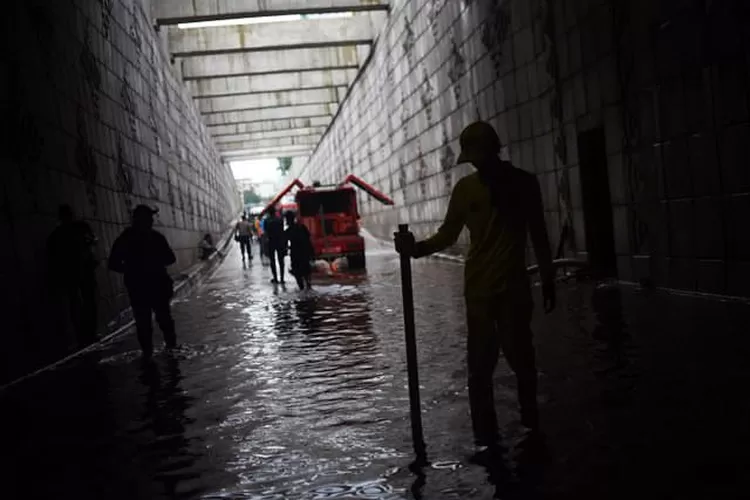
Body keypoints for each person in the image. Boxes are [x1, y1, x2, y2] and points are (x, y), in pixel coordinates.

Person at [394, 121, 556, 455]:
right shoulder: (466, 189)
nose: (477, 164)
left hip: (512, 289)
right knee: (479, 369)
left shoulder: (524, 184)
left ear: (495, 150)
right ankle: (486, 439)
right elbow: (448, 234)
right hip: (479, 291)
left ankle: (531, 426)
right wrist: (416, 248)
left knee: (522, 362)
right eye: (472, 160)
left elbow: (539, 234)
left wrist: (549, 278)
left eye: (479, 157)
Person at [108, 205, 177, 359]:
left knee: (143, 321)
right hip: (157, 285)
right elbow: (171, 258)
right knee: (164, 319)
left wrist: (131, 269)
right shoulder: (156, 237)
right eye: (150, 217)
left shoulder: (126, 238)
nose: (152, 220)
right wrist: (154, 263)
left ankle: (148, 354)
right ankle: (171, 351)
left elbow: (113, 263)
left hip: (138, 287)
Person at [46, 204, 99, 348]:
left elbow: (92, 241)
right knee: (82, 303)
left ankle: (84, 335)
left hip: (74, 273)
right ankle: (87, 334)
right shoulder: (79, 228)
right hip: (76, 273)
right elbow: (92, 242)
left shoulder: (58, 234)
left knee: (81, 303)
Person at [284, 211, 314, 290]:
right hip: (304, 253)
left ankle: (302, 288)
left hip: (296, 254)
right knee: (306, 271)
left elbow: (284, 243)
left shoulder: (289, 231)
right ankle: (308, 287)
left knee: (298, 273)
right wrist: (311, 252)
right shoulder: (302, 227)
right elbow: (309, 240)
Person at [264, 205, 286, 283]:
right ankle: (282, 278)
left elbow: (266, 232)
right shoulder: (280, 219)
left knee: (272, 261)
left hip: (271, 242)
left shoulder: (266, 221)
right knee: (281, 260)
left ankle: (275, 278)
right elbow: (282, 231)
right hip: (280, 241)